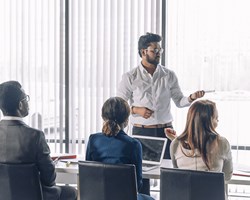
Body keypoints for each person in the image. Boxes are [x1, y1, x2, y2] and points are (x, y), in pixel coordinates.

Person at [117, 32, 205, 194]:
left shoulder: (168, 75)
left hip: (166, 132)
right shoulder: (130, 77)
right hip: (142, 132)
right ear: (144, 52)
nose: (159, 53)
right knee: (142, 176)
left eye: (160, 50)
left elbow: (179, 101)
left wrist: (191, 98)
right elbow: (119, 106)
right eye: (155, 50)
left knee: (170, 173)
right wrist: (136, 110)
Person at [0, 81, 77, 200]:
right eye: (26, 98)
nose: (28, 102)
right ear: (20, 105)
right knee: (72, 192)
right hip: (36, 196)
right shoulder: (35, 136)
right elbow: (49, 179)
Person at [86, 97, 155, 200]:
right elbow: (137, 184)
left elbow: (88, 173)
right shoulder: (133, 144)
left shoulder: (93, 140)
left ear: (103, 117)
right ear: (127, 120)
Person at [166, 99, 233, 183]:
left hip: (184, 195)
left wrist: (176, 140)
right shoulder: (222, 143)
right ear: (209, 121)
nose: (218, 121)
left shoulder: (175, 144)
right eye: (216, 118)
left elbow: (177, 173)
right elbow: (227, 177)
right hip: (212, 195)